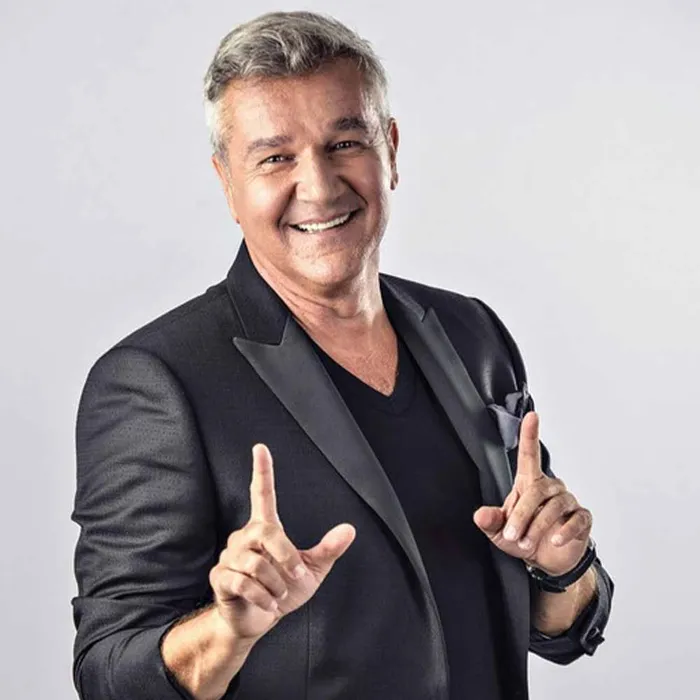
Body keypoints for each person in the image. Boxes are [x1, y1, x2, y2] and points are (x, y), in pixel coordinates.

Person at [71, 11, 614, 700]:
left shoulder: (471, 333)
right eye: (275, 158)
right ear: (227, 182)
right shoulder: (156, 381)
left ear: (391, 150)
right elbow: (109, 672)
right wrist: (229, 630)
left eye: (345, 143)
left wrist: (563, 568)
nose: (320, 185)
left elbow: (559, 628)